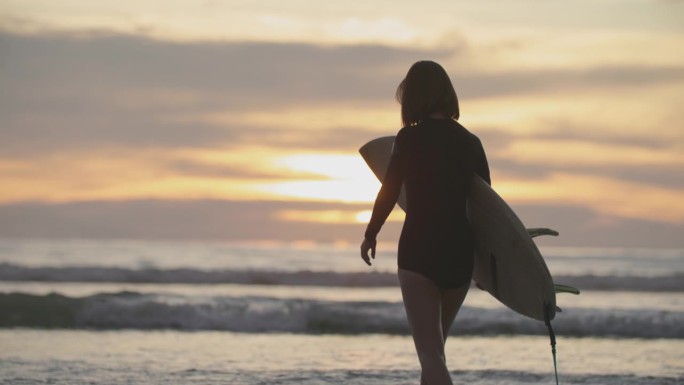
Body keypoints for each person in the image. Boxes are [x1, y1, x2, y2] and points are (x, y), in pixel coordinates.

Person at [360, 60, 490, 385]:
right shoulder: (471, 143)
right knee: (435, 354)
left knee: (430, 356)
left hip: (419, 252)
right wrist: (486, 266)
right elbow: (486, 210)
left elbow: (389, 192)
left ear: (414, 96)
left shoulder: (408, 139)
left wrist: (371, 233)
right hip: (459, 255)